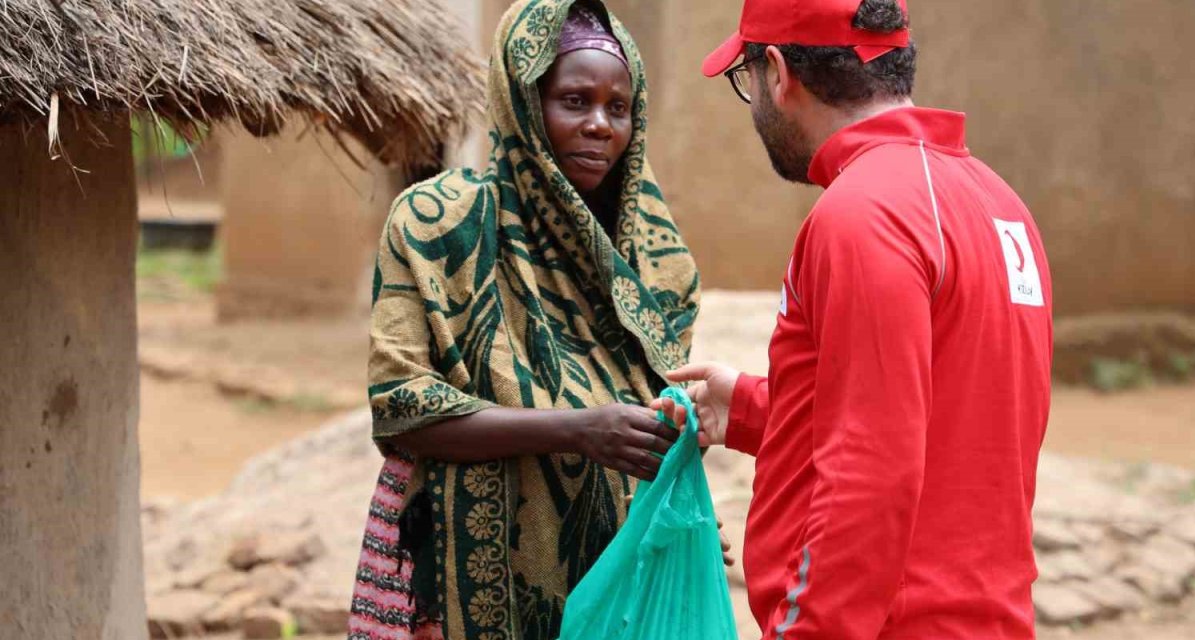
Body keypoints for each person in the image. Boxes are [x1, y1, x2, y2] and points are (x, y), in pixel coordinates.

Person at [657, 0, 1054, 637]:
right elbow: (959, 418)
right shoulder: (998, 202)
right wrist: (758, 411)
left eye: (747, 79)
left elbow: (873, 472)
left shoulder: (863, 214)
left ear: (779, 73)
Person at [345, 2, 701, 639]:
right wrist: (577, 430)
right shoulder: (438, 225)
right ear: (524, 103)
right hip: (454, 586)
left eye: (617, 108)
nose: (599, 125)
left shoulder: (657, 263)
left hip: (618, 584)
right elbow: (400, 405)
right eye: (573, 100)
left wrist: (680, 513)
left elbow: (663, 429)